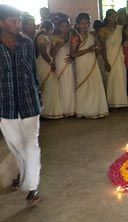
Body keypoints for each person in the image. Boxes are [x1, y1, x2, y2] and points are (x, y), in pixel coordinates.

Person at [0, 4, 42, 204]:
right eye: (13, 21)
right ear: (1, 23)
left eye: (19, 20)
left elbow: (33, 73)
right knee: (16, 147)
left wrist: (38, 96)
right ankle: (25, 175)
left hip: (29, 103)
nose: (18, 25)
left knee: (32, 145)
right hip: (5, 106)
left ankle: (32, 187)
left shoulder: (26, 43)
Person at [70, 13, 108, 119]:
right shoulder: (75, 37)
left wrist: (98, 47)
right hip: (81, 64)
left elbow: (96, 50)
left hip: (92, 63)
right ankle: (84, 110)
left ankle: (96, 109)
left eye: (86, 23)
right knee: (83, 86)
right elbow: (73, 54)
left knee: (94, 85)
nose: (84, 26)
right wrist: (88, 50)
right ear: (77, 24)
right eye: (82, 23)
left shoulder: (92, 36)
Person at [100, 9, 128, 108]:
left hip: (119, 57)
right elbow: (103, 48)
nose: (114, 18)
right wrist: (106, 61)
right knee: (111, 80)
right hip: (109, 57)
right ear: (107, 17)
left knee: (121, 78)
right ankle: (111, 103)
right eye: (111, 16)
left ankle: (121, 102)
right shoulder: (103, 30)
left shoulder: (121, 29)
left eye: (115, 16)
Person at [35, 20, 63, 119]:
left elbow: (51, 52)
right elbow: (43, 52)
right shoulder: (41, 37)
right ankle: (46, 111)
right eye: (51, 29)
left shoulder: (49, 38)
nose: (52, 31)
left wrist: (57, 47)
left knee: (52, 86)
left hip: (49, 61)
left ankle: (51, 111)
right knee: (47, 87)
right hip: (44, 62)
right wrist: (50, 63)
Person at [52, 15, 76, 117]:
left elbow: (76, 50)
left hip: (70, 63)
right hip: (60, 62)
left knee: (71, 84)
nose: (65, 28)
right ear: (58, 27)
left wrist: (73, 57)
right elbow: (52, 53)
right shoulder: (55, 38)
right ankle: (63, 109)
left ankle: (72, 108)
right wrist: (58, 46)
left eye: (67, 26)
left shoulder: (73, 36)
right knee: (62, 84)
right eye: (62, 26)